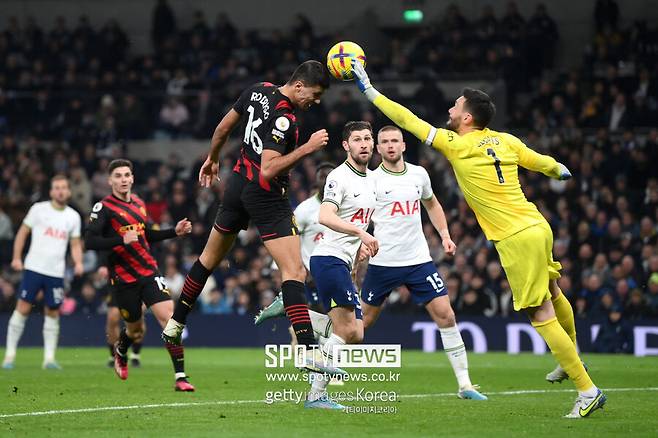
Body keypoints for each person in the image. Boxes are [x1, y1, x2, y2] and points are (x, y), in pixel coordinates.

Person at [349, 60, 605, 418]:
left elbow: (407, 120)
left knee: (540, 312)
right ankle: (570, 359)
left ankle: (585, 388)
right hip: (537, 224)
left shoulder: (456, 144)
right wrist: (559, 170)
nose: (450, 109)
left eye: (456, 105)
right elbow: (542, 162)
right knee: (555, 292)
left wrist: (370, 90)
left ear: (467, 117)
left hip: (516, 237)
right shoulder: (506, 140)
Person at [257, 126, 487, 400]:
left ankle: (465, 385)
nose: (388, 146)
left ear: (403, 145)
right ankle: (311, 369)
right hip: (379, 262)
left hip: (416, 260)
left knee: (441, 316)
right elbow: (332, 216)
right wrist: (362, 240)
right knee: (354, 329)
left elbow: (432, 204)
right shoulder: (365, 179)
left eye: (393, 141)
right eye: (380, 141)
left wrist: (445, 235)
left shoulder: (412, 176)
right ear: (376, 148)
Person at [160, 61, 344, 376]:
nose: (314, 102)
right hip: (266, 193)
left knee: (208, 259)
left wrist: (213, 158)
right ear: (298, 86)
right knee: (294, 271)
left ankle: (175, 323)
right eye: (313, 95)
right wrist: (308, 148)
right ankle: (309, 353)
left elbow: (222, 129)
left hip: (236, 184)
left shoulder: (258, 90)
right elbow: (270, 168)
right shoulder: (285, 117)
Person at [84, 159, 195, 391]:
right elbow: (90, 241)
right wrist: (119, 240)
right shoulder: (103, 208)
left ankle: (181, 377)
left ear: (133, 178)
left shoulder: (139, 204)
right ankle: (121, 351)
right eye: (118, 175)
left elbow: (146, 236)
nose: (123, 179)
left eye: (127, 175)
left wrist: (173, 232)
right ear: (110, 181)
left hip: (149, 272)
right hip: (124, 279)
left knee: (170, 321)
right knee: (135, 330)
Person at [305, 121, 379, 409]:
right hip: (328, 258)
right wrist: (360, 233)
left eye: (367, 139)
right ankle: (316, 396)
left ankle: (294, 309)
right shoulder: (338, 177)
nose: (364, 144)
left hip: (343, 262)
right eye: (357, 139)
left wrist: (359, 249)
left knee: (356, 333)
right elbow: (325, 215)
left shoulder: (371, 179)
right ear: (346, 146)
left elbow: (359, 219)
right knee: (346, 330)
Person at [2, 175, 83, 370]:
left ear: (69, 191)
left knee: (53, 312)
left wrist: (79, 262)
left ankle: (49, 359)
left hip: (56, 273)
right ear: (51, 191)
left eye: (64, 187)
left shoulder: (73, 216)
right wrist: (16, 257)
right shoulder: (38, 210)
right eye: (57, 187)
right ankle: (9, 356)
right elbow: (22, 233)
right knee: (22, 308)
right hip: (34, 268)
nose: (60, 191)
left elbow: (75, 243)